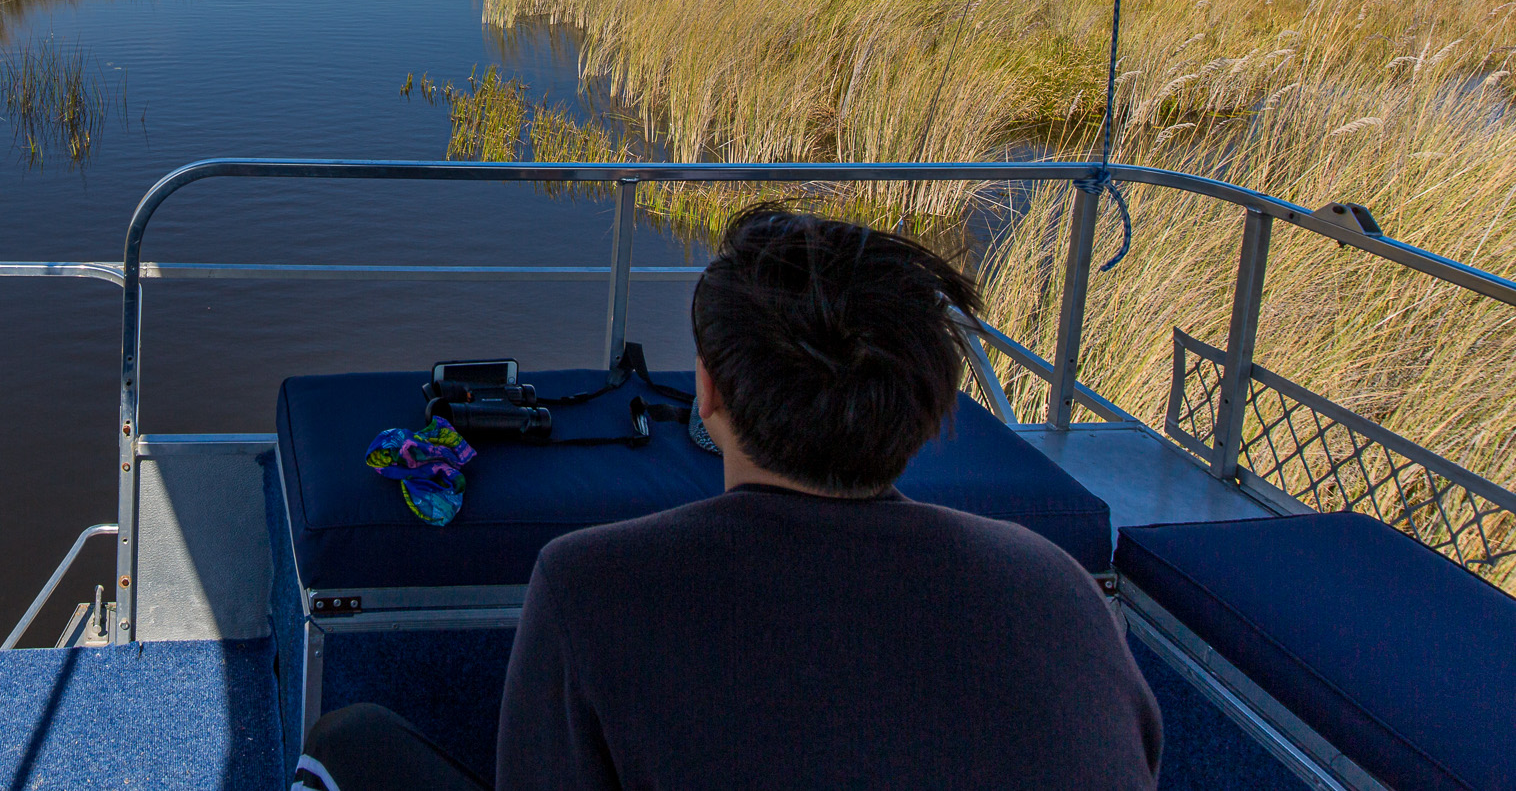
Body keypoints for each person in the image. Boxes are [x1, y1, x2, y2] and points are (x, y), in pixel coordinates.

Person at [294, 203, 1160, 791]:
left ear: (706, 392)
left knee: (349, 743)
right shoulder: (1059, 591)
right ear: (932, 407)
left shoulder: (594, 584)